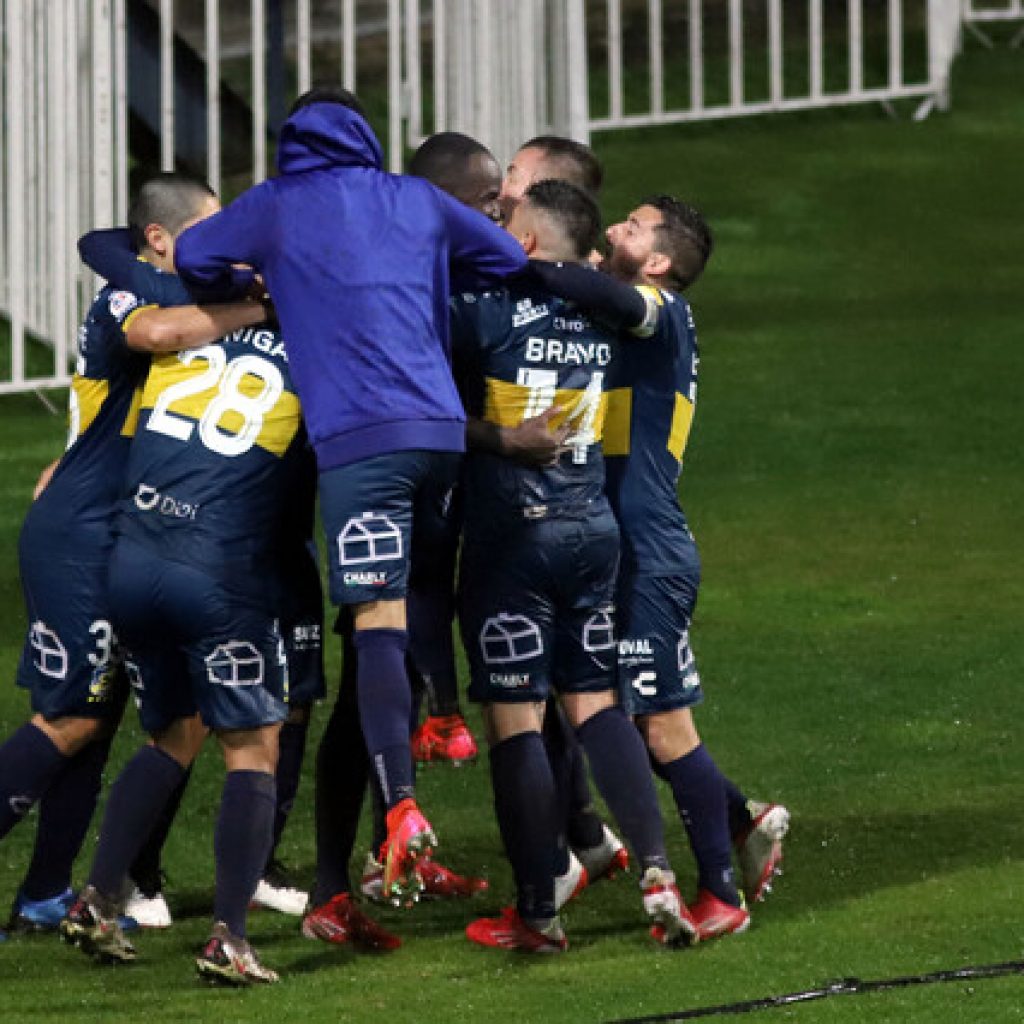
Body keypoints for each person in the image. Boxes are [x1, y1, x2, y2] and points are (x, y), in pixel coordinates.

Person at [174, 87, 528, 904]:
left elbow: (193, 254)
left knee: (373, 626)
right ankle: (352, 868)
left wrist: (261, 275)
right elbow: (506, 258)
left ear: (290, 140)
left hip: (362, 450)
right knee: (398, 626)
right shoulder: (413, 197)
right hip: (443, 441)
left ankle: (400, 809)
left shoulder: (276, 206)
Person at [530, 195, 790, 941]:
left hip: (649, 553)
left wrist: (533, 256)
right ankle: (741, 818)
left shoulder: (658, 306)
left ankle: (721, 897)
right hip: (618, 547)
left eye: (632, 229)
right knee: (622, 720)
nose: (614, 229)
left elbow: (602, 293)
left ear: (658, 262)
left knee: (662, 727)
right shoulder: (635, 315)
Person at [60, 197, 305, 984]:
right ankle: (229, 936)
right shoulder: (316, 341)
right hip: (218, 570)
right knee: (255, 745)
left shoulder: (189, 313)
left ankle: (96, 897)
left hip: (133, 562)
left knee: (173, 734)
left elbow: (105, 248)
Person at [0, 174, 249, 939]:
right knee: (72, 716)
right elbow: (153, 337)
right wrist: (259, 307)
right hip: (82, 531)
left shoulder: (169, 288)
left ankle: (46, 893)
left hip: (121, 531)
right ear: (163, 240)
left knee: (98, 716)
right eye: (211, 229)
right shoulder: (128, 298)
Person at [454, 180, 697, 952]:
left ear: (522, 244)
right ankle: (658, 869)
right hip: (592, 532)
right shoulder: (608, 316)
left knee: (516, 717)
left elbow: (421, 398)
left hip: (510, 541)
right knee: (594, 703)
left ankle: (537, 913)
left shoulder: (481, 309)